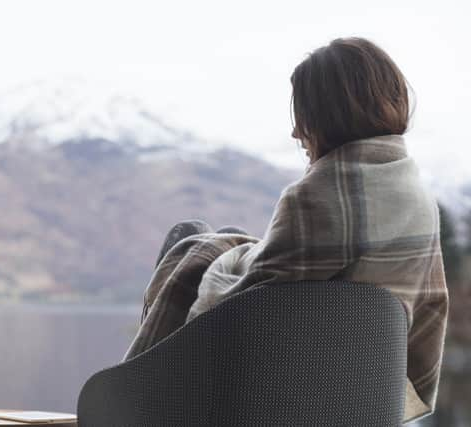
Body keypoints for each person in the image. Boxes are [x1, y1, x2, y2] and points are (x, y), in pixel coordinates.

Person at [124, 37, 448, 424]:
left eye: (305, 116)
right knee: (226, 240)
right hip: (362, 400)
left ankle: (137, 398)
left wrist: (209, 257)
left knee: (194, 243)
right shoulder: (420, 202)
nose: (297, 133)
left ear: (331, 115)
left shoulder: (314, 199)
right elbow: (428, 306)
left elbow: (240, 310)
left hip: (278, 394)